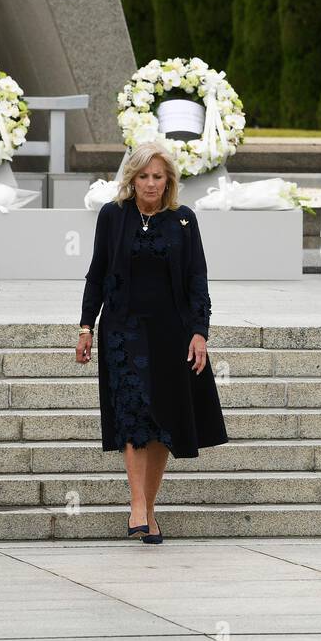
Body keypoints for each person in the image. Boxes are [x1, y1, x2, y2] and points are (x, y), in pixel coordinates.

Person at [77, 142, 228, 544]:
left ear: (168, 181)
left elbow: (198, 278)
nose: (149, 183)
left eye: (157, 176)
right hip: (122, 332)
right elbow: (97, 273)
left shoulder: (183, 220)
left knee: (162, 423)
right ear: (131, 178)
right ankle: (138, 507)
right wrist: (85, 326)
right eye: (142, 176)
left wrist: (200, 332)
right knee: (132, 416)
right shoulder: (112, 216)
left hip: (171, 332)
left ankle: (149, 507)